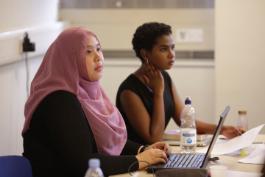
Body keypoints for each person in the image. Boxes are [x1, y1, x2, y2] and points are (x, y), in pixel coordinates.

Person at [22, 27, 169, 177]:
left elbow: (109, 140)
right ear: (70, 58)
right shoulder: (58, 100)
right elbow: (84, 163)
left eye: (98, 49)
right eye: (88, 52)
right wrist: (139, 160)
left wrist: (143, 150)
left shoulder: (86, 92)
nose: (98, 57)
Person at [116, 22, 243, 145]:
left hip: (158, 155)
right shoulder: (129, 91)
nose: (171, 54)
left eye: (172, 48)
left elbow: (185, 119)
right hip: (137, 162)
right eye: (163, 49)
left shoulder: (164, 77)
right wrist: (158, 93)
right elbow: (153, 138)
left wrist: (223, 129)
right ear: (145, 54)